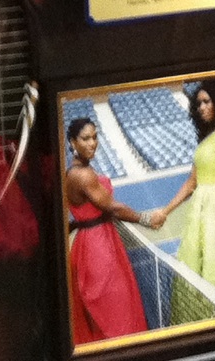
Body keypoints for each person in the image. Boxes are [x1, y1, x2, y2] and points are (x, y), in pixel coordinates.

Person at [63, 118, 154, 342]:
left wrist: (76, 225)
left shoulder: (74, 172)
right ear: (72, 142)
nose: (92, 143)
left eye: (95, 137)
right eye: (85, 138)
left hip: (93, 242)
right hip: (98, 249)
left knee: (109, 311)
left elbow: (82, 212)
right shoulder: (83, 175)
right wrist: (146, 219)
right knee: (116, 311)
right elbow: (113, 208)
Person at [151, 81, 215, 302]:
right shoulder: (204, 141)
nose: (202, 107)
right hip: (201, 214)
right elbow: (191, 182)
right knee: (198, 267)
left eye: (207, 101)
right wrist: (165, 211)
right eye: (199, 103)